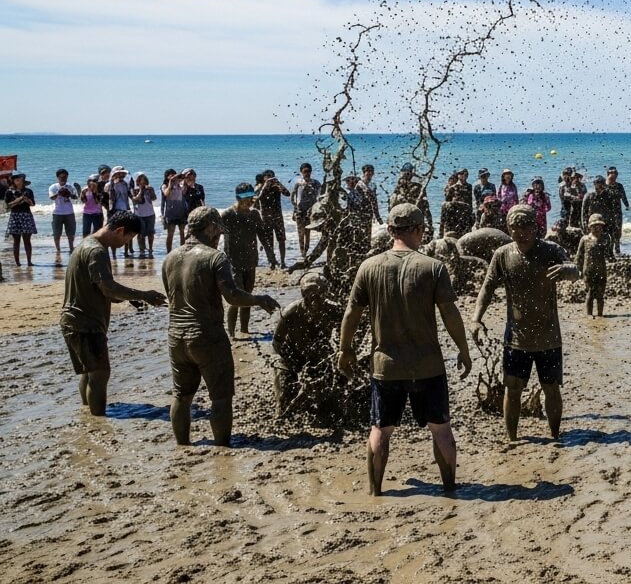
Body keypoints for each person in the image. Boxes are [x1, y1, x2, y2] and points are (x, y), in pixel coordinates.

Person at [337, 204, 472, 495]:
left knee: (380, 430)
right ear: (416, 230)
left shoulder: (369, 267)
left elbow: (351, 313)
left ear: (390, 231)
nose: (423, 234)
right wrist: (464, 349)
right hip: (428, 366)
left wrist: (344, 349)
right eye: (422, 230)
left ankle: (376, 492)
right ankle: (449, 488)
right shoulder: (433, 267)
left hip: (386, 366)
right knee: (441, 429)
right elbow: (450, 314)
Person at [163, 206, 280, 447]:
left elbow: (172, 297)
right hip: (207, 335)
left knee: (182, 396)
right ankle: (222, 447)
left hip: (176, 336)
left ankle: (182, 446)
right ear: (211, 227)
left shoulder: (170, 258)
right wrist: (259, 299)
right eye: (218, 233)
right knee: (221, 397)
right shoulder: (215, 257)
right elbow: (232, 296)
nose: (219, 238)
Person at [470, 204, 580, 441]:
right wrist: (476, 319)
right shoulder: (503, 255)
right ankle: (512, 437)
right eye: (515, 227)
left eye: (526, 226)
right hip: (516, 338)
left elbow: (575, 271)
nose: (521, 232)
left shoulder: (550, 250)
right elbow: (487, 288)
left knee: (551, 388)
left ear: (536, 226)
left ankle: (554, 435)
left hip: (549, 336)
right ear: (509, 228)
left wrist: (567, 270)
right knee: (513, 389)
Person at [60, 211, 168, 416]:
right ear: (120, 230)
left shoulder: (86, 244)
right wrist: (144, 295)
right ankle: (98, 419)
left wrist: (127, 297)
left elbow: (100, 288)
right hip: (85, 323)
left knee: (89, 371)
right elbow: (108, 288)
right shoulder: (97, 251)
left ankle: (87, 414)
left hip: (74, 321)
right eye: (130, 238)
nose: (128, 242)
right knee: (100, 373)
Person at [271, 270, 340, 419]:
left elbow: (350, 332)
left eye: (319, 294)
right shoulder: (291, 312)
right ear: (303, 294)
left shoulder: (334, 310)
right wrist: (293, 364)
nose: (314, 300)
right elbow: (277, 342)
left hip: (320, 356)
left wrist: (341, 353)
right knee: (284, 396)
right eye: (310, 295)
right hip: (291, 355)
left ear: (325, 294)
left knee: (329, 404)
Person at [221, 183, 263, 337]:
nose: (251, 201)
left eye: (252, 197)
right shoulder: (227, 215)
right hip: (233, 263)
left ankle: (245, 330)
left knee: (249, 296)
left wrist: (271, 255)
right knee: (236, 298)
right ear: (238, 198)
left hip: (251, 262)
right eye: (247, 198)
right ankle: (231, 334)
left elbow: (262, 235)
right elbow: (212, 235)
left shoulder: (254, 215)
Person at [576, 214, 613, 317]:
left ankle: (600, 314)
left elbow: (610, 254)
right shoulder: (585, 239)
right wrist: (577, 269)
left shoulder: (605, 239)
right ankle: (589, 314)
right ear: (590, 227)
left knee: (601, 295)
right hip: (589, 270)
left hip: (601, 270)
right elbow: (579, 256)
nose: (597, 228)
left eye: (599, 226)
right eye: (594, 226)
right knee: (590, 293)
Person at [254, 169, 290, 269]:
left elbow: (287, 193)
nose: (270, 178)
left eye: (271, 176)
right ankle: (272, 261)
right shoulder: (260, 187)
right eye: (267, 176)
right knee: (269, 242)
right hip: (266, 218)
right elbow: (257, 199)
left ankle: (282, 262)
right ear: (264, 177)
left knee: (281, 240)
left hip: (278, 217)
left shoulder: (276, 186)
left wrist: (278, 183)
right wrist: (265, 185)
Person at [291, 163, 322, 258]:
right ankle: (302, 254)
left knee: (308, 234)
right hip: (300, 212)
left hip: (310, 212)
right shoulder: (298, 184)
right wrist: (295, 210)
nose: (307, 174)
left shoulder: (316, 183)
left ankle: (306, 251)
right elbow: (293, 198)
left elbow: (321, 196)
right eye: (305, 172)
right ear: (301, 172)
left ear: (311, 172)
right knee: (300, 234)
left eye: (308, 171)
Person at [6, 172, 36, 268]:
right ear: (14, 181)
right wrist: (19, 199)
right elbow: (8, 205)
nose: (19, 181)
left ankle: (29, 261)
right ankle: (17, 263)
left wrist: (26, 199)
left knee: (27, 240)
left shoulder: (28, 191)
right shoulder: (9, 192)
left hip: (26, 215)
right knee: (16, 240)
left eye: (21, 180)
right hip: (15, 215)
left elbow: (32, 204)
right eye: (17, 180)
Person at [49, 168, 78, 264]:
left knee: (71, 232)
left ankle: (71, 247)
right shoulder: (53, 187)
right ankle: (58, 248)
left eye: (65, 177)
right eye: (61, 177)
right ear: (58, 177)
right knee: (57, 232)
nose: (63, 179)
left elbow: (75, 197)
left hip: (69, 212)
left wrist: (69, 194)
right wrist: (59, 193)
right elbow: (51, 197)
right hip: (57, 212)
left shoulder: (70, 186)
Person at [603, 166, 630, 256]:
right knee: (606, 232)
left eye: (616, 174)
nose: (614, 175)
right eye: (612, 173)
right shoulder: (603, 186)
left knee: (617, 232)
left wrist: (627, 205)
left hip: (617, 212)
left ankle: (617, 250)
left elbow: (624, 197)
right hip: (606, 213)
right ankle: (607, 251)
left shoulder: (619, 186)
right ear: (608, 174)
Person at [130, 172, 158, 258]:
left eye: (144, 181)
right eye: (141, 181)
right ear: (137, 181)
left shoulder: (149, 189)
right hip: (139, 215)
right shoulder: (134, 190)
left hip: (150, 214)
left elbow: (154, 198)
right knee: (141, 234)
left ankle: (150, 248)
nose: (143, 183)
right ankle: (141, 250)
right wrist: (141, 190)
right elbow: (135, 199)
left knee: (151, 233)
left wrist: (150, 191)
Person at [161, 169, 190, 253]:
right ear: (167, 176)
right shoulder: (164, 185)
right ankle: (168, 252)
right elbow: (166, 193)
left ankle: (182, 251)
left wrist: (184, 179)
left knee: (182, 233)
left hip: (180, 212)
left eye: (174, 175)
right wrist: (170, 182)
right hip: (170, 213)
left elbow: (184, 192)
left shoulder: (179, 185)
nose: (174, 176)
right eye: (172, 175)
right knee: (170, 234)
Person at [81, 175, 106, 239]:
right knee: (86, 231)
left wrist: (95, 193)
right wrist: (83, 195)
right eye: (91, 181)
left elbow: (97, 202)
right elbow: (84, 201)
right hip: (87, 213)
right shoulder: (85, 190)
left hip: (97, 213)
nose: (92, 183)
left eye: (94, 181)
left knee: (97, 231)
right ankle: (85, 246)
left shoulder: (100, 190)